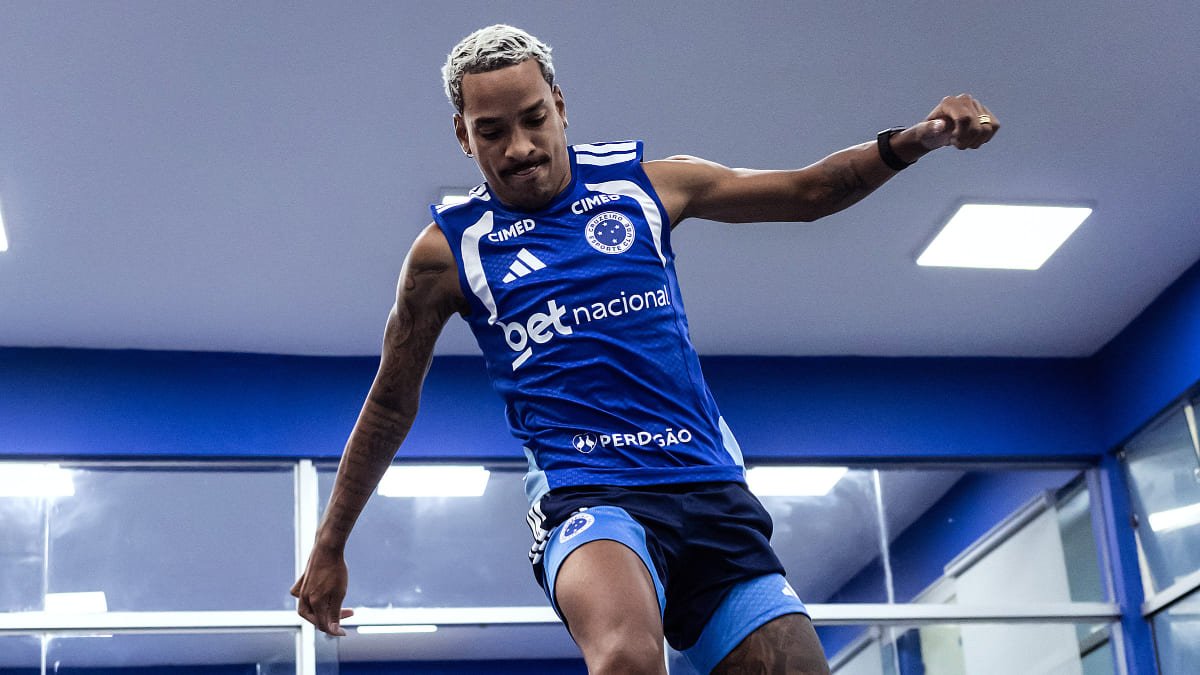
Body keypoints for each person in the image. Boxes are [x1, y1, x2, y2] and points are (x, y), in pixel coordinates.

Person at [292, 24, 998, 674]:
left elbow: (808, 192)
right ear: (463, 135)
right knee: (628, 657)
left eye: (534, 119)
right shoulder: (447, 253)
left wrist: (917, 140)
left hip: (705, 485)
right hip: (588, 494)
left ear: (560, 106)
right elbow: (391, 402)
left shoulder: (646, 186)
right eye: (492, 131)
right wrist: (330, 543)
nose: (520, 148)